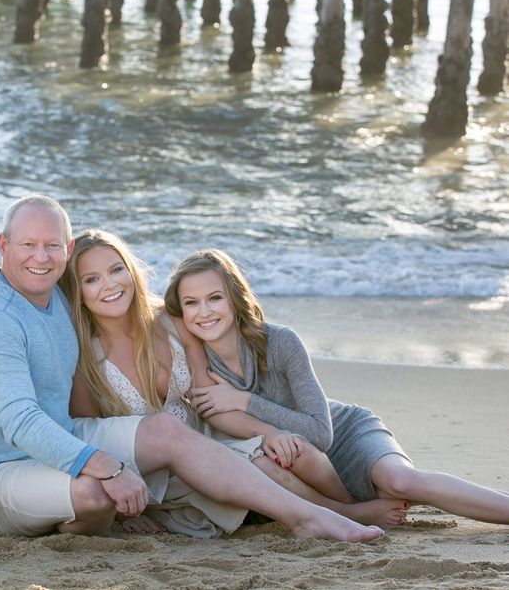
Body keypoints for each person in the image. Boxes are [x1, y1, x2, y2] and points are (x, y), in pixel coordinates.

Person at [0, 194, 384, 542]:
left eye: (52, 245)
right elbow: (18, 421)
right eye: (28, 245)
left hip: (60, 435)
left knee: (162, 430)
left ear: (67, 250)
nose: (41, 257)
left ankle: (306, 517)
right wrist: (105, 467)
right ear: (3, 246)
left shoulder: (56, 303)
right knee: (94, 494)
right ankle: (87, 523)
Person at [62, 230, 407, 537]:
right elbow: (95, 438)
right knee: (261, 463)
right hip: (155, 473)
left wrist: (268, 431)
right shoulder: (86, 360)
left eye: (116, 269)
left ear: (131, 271)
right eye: (92, 279)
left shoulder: (171, 324)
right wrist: (123, 514)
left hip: (209, 441)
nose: (109, 285)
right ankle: (344, 514)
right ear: (77, 293)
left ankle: (346, 506)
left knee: (284, 449)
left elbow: (211, 405)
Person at [165, 248, 509, 526]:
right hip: (289, 464)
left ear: (235, 299)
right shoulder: (197, 363)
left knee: (402, 483)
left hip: (343, 434)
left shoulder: (281, 341)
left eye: (215, 298)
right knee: (277, 460)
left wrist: (245, 400)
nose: (204, 312)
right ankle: (350, 512)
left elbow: (320, 433)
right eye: (192, 303)